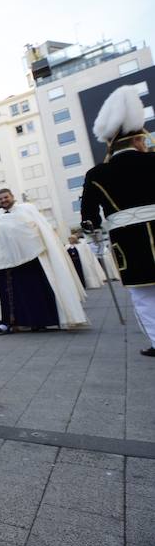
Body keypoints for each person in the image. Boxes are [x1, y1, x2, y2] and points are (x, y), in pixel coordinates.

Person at [82, 85, 155, 356]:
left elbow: (89, 218)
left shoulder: (96, 174)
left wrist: (94, 237)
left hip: (129, 242)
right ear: (137, 140)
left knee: (145, 295)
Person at [0, 189, 87, 333]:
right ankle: (13, 323)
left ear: (12, 197)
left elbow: (34, 227)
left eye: (5, 197)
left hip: (33, 257)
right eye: (0, 199)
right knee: (13, 295)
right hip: (8, 262)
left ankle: (42, 321)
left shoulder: (26, 209)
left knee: (36, 290)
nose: (3, 200)